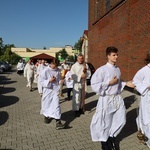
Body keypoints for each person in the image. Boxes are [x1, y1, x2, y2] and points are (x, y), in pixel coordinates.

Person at [90, 46, 135, 150]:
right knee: (105, 122)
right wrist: (109, 83)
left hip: (117, 98)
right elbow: (94, 85)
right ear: (108, 56)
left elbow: (118, 84)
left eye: (117, 54)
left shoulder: (117, 69)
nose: (116, 57)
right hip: (106, 99)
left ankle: (111, 136)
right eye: (114, 55)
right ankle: (105, 144)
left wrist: (126, 83)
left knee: (121, 120)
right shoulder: (102, 70)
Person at [38, 59, 65, 130]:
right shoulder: (45, 71)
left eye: (56, 66)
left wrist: (61, 81)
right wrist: (49, 81)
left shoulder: (58, 71)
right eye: (54, 65)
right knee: (46, 105)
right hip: (48, 90)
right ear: (51, 63)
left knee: (56, 105)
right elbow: (40, 81)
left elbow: (59, 80)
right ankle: (46, 117)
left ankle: (58, 122)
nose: (55, 67)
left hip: (55, 90)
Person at [133, 54, 150, 148]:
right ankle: (147, 138)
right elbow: (135, 81)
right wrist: (146, 88)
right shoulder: (143, 70)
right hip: (147, 97)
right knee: (147, 118)